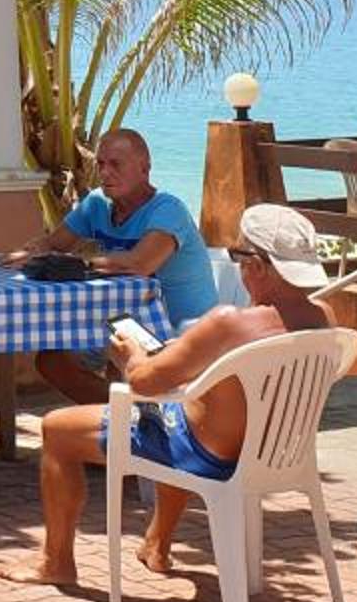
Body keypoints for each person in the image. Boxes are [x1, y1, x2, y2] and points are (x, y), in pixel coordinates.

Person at [1, 201, 334, 592]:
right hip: (274, 453)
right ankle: (157, 543)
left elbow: (144, 382)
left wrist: (129, 355)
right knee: (177, 414)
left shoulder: (228, 323)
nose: (240, 269)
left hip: (207, 455)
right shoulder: (325, 318)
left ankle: (55, 561)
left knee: (57, 429)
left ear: (258, 266)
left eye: (239, 257)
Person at [16, 127, 219, 400]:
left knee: (120, 347)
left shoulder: (168, 210)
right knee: (52, 361)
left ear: (144, 168)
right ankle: (125, 412)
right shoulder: (97, 203)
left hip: (182, 332)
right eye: (100, 164)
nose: (105, 172)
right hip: (122, 323)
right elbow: (54, 243)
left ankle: (129, 411)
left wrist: (76, 262)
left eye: (115, 164)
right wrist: (29, 252)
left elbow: (140, 263)